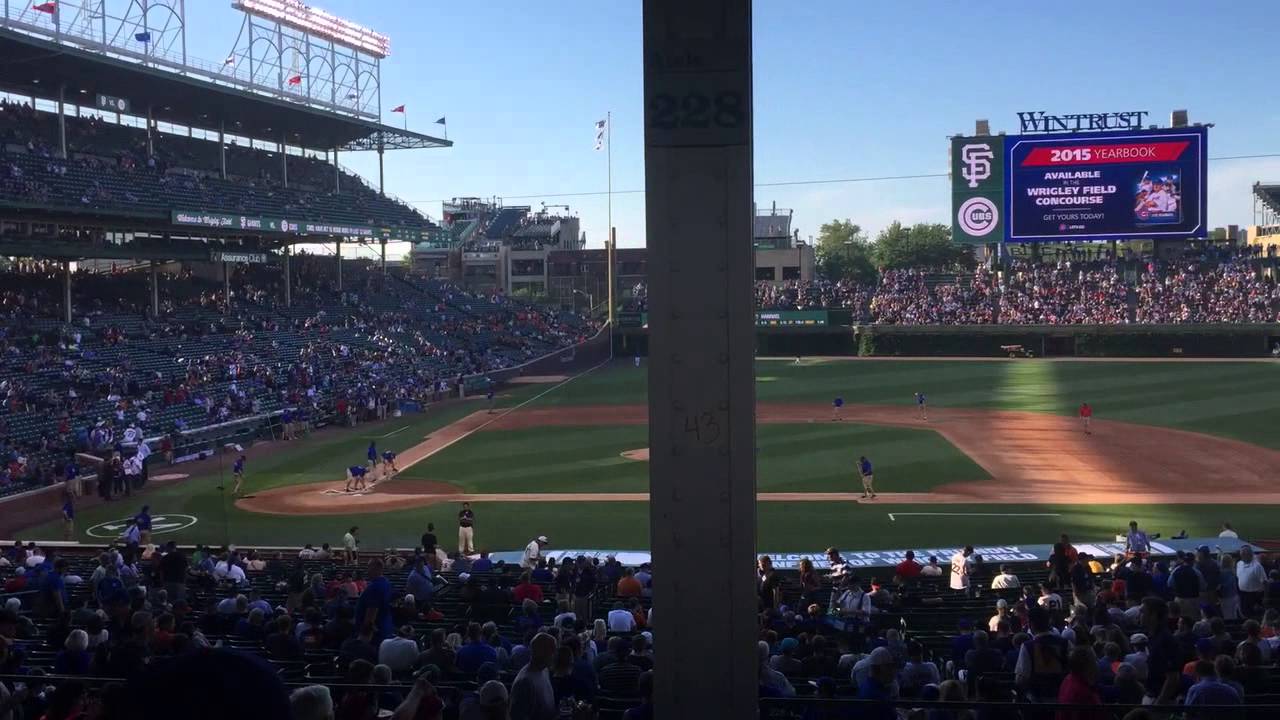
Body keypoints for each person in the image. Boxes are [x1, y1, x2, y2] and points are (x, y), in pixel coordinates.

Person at [511, 633, 558, 720]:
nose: (555, 656)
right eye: (553, 652)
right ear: (543, 653)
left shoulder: (545, 670)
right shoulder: (524, 682)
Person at [1057, 646, 1104, 719]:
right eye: (1095, 660)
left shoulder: (1068, 679)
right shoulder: (1083, 693)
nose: (1097, 663)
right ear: (1088, 666)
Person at [355, 558, 394, 641]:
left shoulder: (374, 587)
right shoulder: (386, 583)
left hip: (374, 636)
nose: (367, 571)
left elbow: (371, 616)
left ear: (378, 569)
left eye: (370, 567)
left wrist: (364, 638)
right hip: (383, 628)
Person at [1237, 546, 1266, 616]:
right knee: (1244, 613)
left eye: (1244, 554)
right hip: (1243, 594)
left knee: (1254, 615)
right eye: (1241, 554)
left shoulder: (1257, 566)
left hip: (1254, 596)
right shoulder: (1239, 564)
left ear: (1250, 555)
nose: (1242, 556)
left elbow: (1264, 582)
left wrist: (1262, 597)